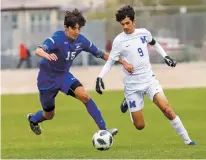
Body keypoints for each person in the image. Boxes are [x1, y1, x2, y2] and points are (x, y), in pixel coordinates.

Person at [95, 5, 196, 145]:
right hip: (132, 85)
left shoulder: (144, 33)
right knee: (140, 126)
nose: (125, 26)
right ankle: (128, 102)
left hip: (149, 80)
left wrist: (166, 56)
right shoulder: (118, 41)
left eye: (127, 23)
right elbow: (110, 61)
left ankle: (187, 140)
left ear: (134, 22)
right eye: (122, 24)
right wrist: (100, 77)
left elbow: (155, 44)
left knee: (167, 109)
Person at [27, 8, 134, 136]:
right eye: (74, 28)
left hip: (63, 76)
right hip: (46, 80)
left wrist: (123, 62)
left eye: (79, 28)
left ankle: (104, 130)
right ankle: (33, 119)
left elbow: (101, 54)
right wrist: (46, 55)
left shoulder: (81, 41)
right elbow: (38, 50)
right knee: (49, 114)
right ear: (66, 27)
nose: (77, 32)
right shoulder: (57, 38)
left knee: (84, 96)